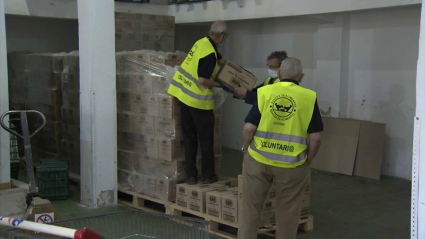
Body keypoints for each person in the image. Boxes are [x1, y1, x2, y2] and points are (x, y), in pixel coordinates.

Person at [238, 58, 323, 239]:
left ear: (279, 74)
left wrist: (246, 149)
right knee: (288, 213)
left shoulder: (264, 92)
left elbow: (248, 128)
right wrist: (307, 161)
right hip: (292, 166)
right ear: (301, 77)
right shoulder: (309, 97)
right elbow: (315, 138)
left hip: (258, 161)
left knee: (250, 209)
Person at [167, 21, 229, 185]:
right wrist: (220, 85)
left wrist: (234, 70)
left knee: (189, 139)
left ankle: (191, 176)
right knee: (206, 140)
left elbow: (219, 59)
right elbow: (202, 80)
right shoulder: (209, 54)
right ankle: (208, 175)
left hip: (183, 96)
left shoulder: (202, 42)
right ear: (222, 36)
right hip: (198, 102)